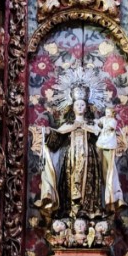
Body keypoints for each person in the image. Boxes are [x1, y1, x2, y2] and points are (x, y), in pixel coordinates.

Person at [38, 84, 103, 218]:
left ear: (86, 108)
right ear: (72, 107)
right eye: (77, 104)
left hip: (89, 159)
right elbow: (56, 141)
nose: (80, 107)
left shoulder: (92, 124)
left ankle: (88, 209)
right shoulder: (67, 125)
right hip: (70, 159)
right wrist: (49, 134)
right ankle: (70, 209)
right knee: (69, 180)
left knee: (89, 180)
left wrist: (106, 133)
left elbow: (102, 141)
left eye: (82, 105)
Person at [96, 105, 124, 210]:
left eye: (109, 113)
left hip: (109, 145)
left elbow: (111, 126)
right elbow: (98, 122)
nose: (107, 114)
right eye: (106, 112)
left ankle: (113, 197)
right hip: (102, 144)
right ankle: (106, 197)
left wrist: (106, 126)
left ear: (112, 114)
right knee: (103, 169)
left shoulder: (112, 121)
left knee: (110, 170)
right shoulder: (104, 119)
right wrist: (97, 123)